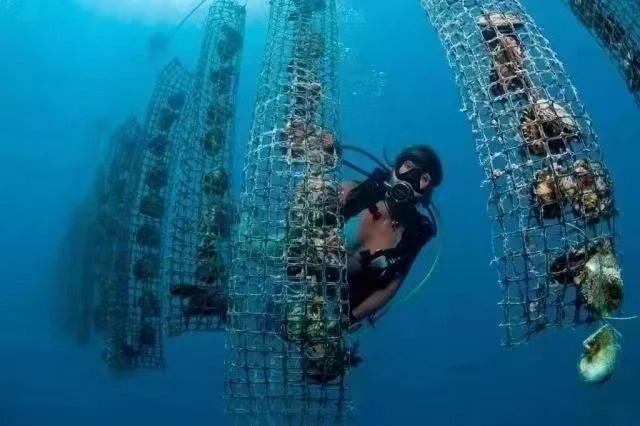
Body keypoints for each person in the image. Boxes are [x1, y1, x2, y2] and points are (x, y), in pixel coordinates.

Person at [331, 142, 443, 328]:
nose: (410, 179)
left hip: (335, 300)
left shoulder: (412, 237)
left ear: (428, 190)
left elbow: (390, 287)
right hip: (301, 264)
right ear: (394, 167)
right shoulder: (358, 193)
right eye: (407, 167)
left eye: (423, 177)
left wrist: (349, 319)